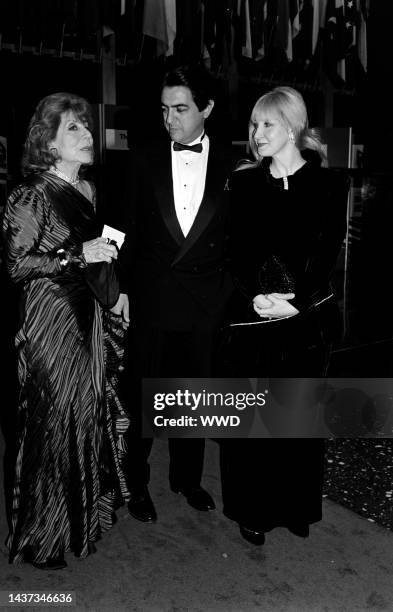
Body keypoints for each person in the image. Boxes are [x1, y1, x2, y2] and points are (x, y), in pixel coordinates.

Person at [2, 92, 129, 569]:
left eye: (87, 127)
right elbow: (16, 265)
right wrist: (76, 256)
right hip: (47, 319)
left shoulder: (90, 191)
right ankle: (41, 536)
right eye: (74, 128)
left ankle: (76, 523)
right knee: (51, 423)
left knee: (84, 416)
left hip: (87, 317)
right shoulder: (28, 195)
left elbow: (100, 253)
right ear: (48, 141)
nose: (87, 136)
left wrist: (114, 292)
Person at [219, 86, 349, 545]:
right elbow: (234, 251)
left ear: (292, 126)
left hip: (305, 317)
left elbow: (327, 251)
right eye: (254, 126)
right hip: (254, 318)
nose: (256, 134)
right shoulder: (245, 182)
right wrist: (256, 295)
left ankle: (296, 505)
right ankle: (251, 510)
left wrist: (297, 300)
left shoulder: (332, 185)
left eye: (266, 124)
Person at [114, 65, 234, 523]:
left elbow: (238, 239)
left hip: (206, 302)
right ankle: (136, 483)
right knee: (144, 399)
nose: (170, 119)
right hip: (152, 298)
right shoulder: (141, 159)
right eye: (164, 110)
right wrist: (116, 287)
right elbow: (119, 229)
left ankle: (187, 479)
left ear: (206, 109)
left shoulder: (232, 165)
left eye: (181, 109)